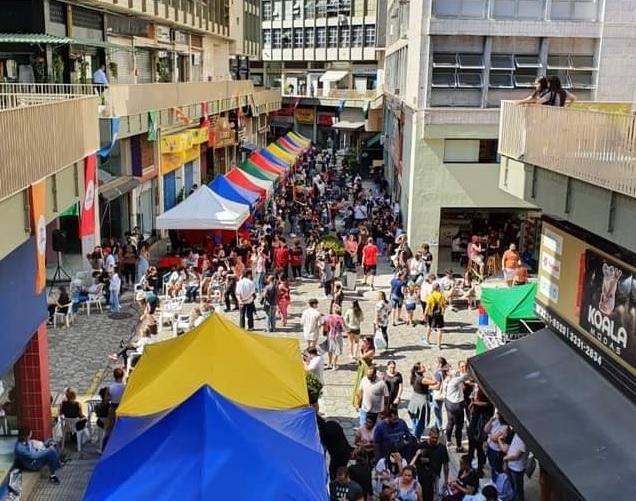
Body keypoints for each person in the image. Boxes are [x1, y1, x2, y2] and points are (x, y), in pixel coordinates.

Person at [411, 428, 449, 501]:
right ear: (429, 435)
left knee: (435, 497)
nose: (434, 439)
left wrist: (446, 480)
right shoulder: (421, 445)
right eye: (433, 437)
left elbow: (446, 465)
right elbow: (415, 460)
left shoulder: (442, 448)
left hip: (435, 476)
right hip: (422, 476)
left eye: (436, 438)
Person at [444, 362, 471, 453]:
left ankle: (448, 441)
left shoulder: (448, 380)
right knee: (459, 426)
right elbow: (464, 377)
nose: (453, 370)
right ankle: (459, 446)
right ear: (447, 373)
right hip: (456, 405)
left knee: (450, 422)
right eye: (451, 370)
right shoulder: (454, 380)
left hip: (449, 402)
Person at [407, 363, 436, 440]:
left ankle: (414, 435)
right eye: (423, 366)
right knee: (421, 421)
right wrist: (430, 371)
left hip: (415, 400)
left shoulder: (415, 376)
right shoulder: (420, 379)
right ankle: (416, 437)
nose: (424, 367)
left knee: (415, 420)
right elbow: (434, 381)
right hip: (421, 402)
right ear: (418, 370)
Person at [500, 430, 527, 501]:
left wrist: (505, 458)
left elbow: (517, 456)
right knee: (513, 487)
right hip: (511, 465)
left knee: (518, 489)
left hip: (517, 468)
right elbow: (509, 448)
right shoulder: (516, 434)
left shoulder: (524, 439)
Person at [424, 283, 446, 349]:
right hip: (439, 314)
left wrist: (425, 314)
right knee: (440, 329)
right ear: (438, 288)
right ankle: (439, 344)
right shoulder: (442, 296)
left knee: (429, 326)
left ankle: (427, 340)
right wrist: (443, 312)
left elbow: (427, 306)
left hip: (431, 314)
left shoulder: (430, 296)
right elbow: (444, 306)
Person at [325, 304, 346, 370]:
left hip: (330, 334)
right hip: (337, 334)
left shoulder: (328, 317)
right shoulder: (340, 318)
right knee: (336, 350)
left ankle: (329, 363)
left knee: (330, 349)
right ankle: (334, 365)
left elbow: (326, 328)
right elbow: (343, 328)